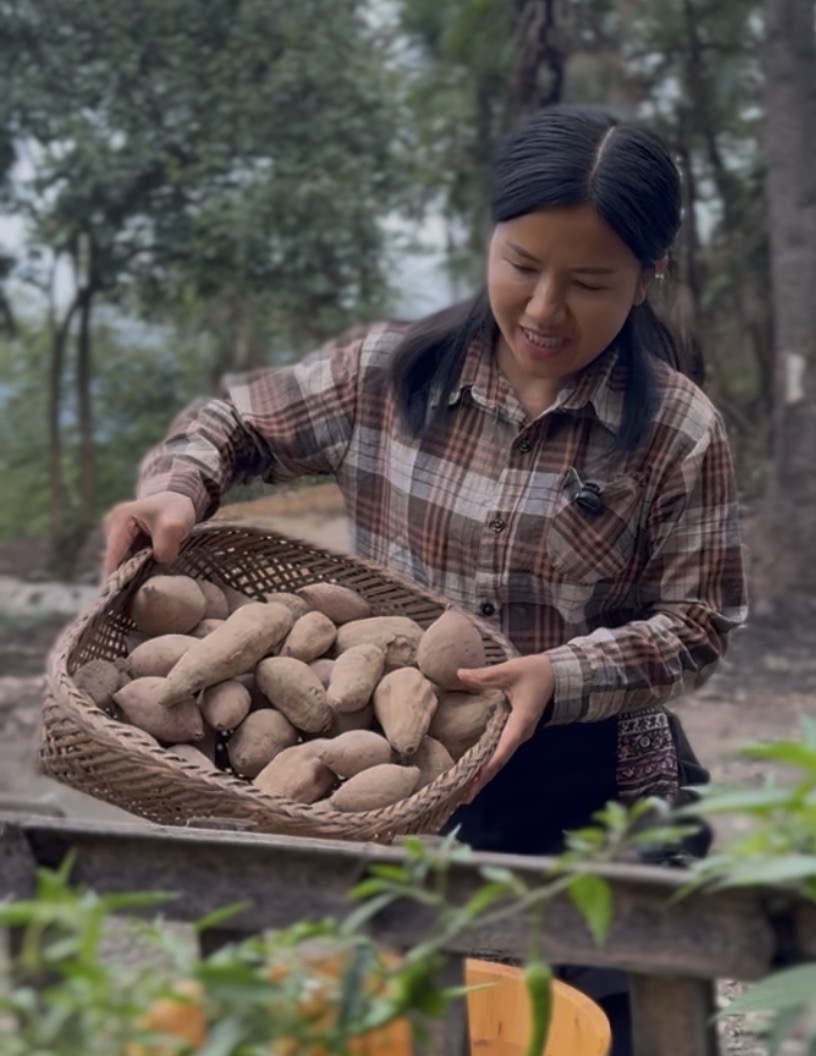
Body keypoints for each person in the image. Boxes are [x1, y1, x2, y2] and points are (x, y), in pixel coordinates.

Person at [102, 103, 747, 1054]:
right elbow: (233, 421)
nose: (544, 309)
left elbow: (699, 623)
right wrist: (177, 486)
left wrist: (558, 675)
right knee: (424, 1022)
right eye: (522, 264)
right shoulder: (387, 373)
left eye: (589, 283)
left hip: (594, 783)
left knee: (625, 1032)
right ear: (490, 238)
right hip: (401, 772)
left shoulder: (678, 434)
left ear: (648, 276)